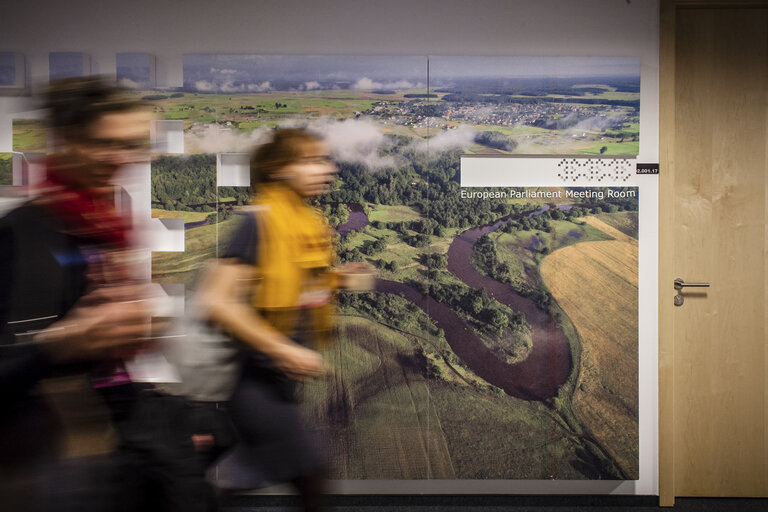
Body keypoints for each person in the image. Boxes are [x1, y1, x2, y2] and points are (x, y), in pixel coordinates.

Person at [0, 77, 156, 512]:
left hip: (95, 435)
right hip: (39, 456)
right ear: (66, 139)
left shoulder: (101, 220)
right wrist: (61, 343)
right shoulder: (24, 230)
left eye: (130, 145)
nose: (120, 159)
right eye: (105, 144)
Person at [200, 128, 369, 512]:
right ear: (277, 168)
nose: (328, 168)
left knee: (261, 473)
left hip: (279, 382)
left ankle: (206, 490)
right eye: (312, 161)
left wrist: (336, 277)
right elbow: (216, 301)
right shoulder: (258, 222)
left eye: (326, 159)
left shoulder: (303, 223)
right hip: (255, 383)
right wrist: (282, 349)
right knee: (312, 473)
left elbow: (294, 286)